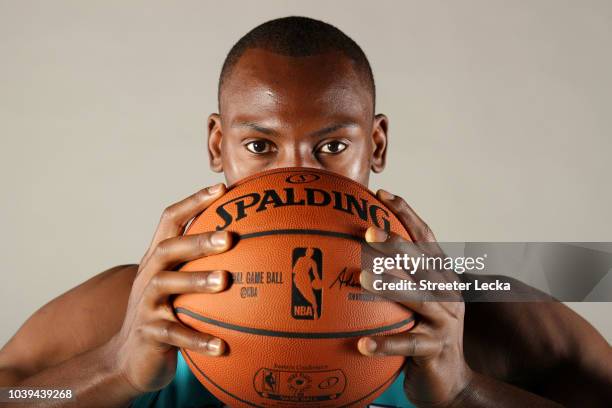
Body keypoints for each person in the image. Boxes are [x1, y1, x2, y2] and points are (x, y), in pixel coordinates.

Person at [0, 16, 610, 408]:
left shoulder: (471, 297)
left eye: (333, 147)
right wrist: (111, 367)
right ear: (218, 145)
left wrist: (466, 389)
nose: (297, 174)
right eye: (260, 146)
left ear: (377, 145)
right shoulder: (137, 304)